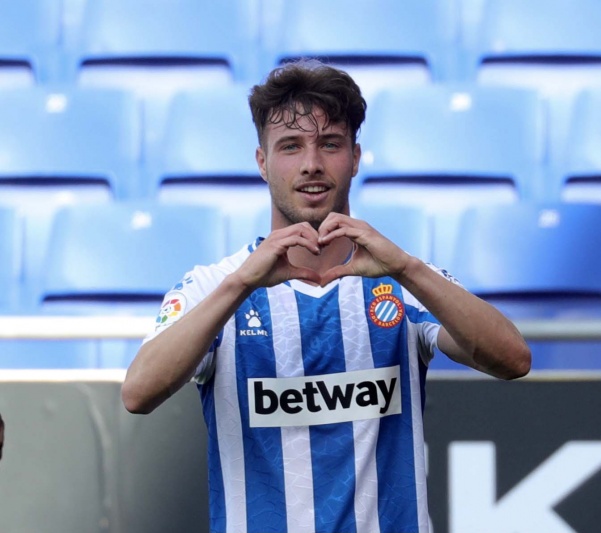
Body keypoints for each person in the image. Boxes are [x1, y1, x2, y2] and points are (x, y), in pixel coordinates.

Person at [122, 60, 531, 533]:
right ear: (262, 162)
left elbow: (513, 359)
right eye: (290, 146)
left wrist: (406, 268)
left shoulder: (403, 279)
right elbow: (138, 393)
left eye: (330, 144)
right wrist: (240, 285)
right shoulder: (215, 286)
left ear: (355, 158)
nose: (311, 164)